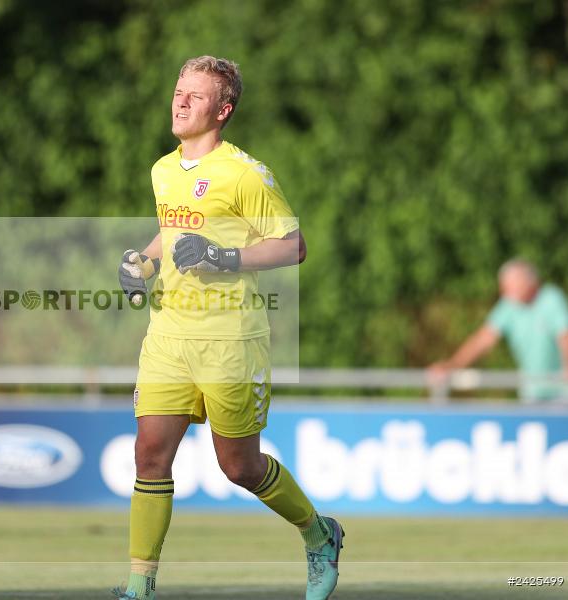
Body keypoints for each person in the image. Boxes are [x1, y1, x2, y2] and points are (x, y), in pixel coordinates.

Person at [115, 56, 343, 600]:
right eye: (178, 91)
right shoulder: (163, 169)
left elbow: (294, 246)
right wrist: (143, 262)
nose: (180, 102)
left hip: (230, 341)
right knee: (149, 454)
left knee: (238, 467)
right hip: (169, 336)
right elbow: (173, 232)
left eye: (195, 95)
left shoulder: (245, 173)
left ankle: (319, 533)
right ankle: (140, 587)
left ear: (223, 110)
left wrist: (226, 256)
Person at [429, 259, 568, 402]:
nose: (505, 291)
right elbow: (483, 340)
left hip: (563, 392)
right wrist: (452, 365)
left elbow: (566, 336)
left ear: (529, 282)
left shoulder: (551, 298)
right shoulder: (509, 305)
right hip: (533, 392)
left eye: (511, 286)